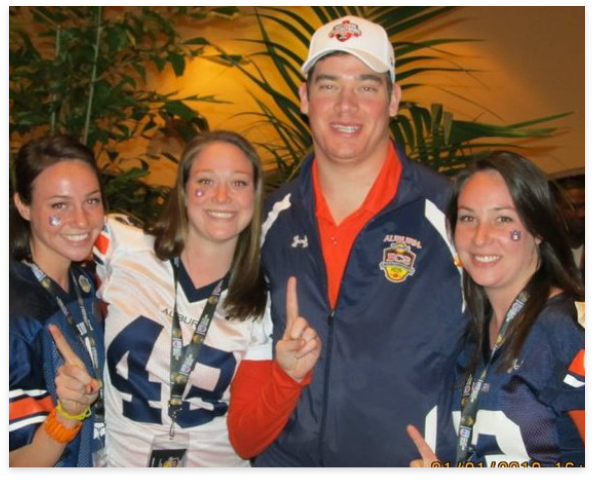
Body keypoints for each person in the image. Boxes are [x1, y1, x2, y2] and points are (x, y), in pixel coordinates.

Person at [229, 17, 467, 467]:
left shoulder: (454, 215)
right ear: (304, 98)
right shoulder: (265, 223)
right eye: (328, 85)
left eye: (367, 86)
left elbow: (520, 352)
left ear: (394, 99)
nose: (345, 106)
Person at [94, 131, 320, 467]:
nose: (222, 196)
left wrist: (287, 378)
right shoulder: (120, 248)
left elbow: (246, 442)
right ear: (183, 191)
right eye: (205, 180)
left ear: (255, 197)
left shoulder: (260, 301)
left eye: (239, 183)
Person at [408, 151, 585, 468]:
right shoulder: (467, 336)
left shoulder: (570, 329)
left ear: (538, 227)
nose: (480, 237)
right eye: (467, 218)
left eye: (503, 218)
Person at [9, 135, 106, 468]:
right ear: (23, 205)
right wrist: (68, 414)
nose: (81, 220)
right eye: (59, 205)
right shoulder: (18, 314)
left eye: (91, 201)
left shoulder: (87, 280)